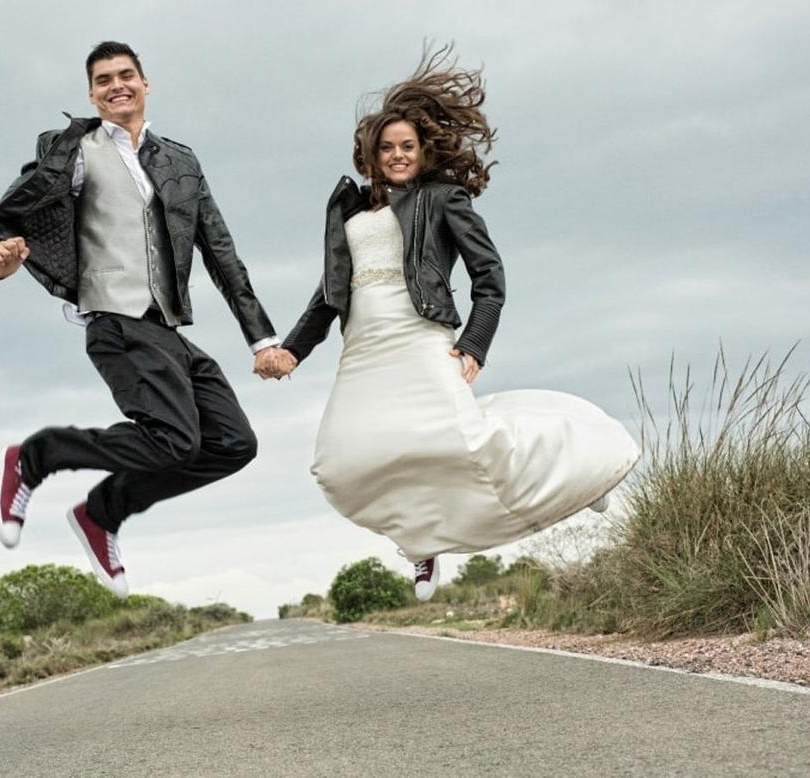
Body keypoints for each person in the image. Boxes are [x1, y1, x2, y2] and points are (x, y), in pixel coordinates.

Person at [261, 46, 639, 601]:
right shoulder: (350, 213)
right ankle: (421, 539)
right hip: (363, 350)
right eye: (386, 147)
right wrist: (292, 351)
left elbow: (491, 276)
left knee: (467, 446)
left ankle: (583, 470)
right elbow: (328, 295)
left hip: (421, 339)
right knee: (342, 464)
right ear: (370, 153)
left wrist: (474, 347)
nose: (396, 156)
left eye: (406, 147)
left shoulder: (443, 200)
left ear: (422, 151)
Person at [0, 41, 289, 597]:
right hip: (116, 320)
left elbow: (221, 253)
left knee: (234, 443)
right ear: (92, 94)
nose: (116, 85)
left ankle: (101, 513)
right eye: (103, 80)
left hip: (167, 327)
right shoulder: (71, 150)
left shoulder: (180, 162)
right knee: (173, 442)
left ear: (146, 84)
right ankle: (33, 457)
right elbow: (8, 216)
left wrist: (261, 339)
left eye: (126, 75)